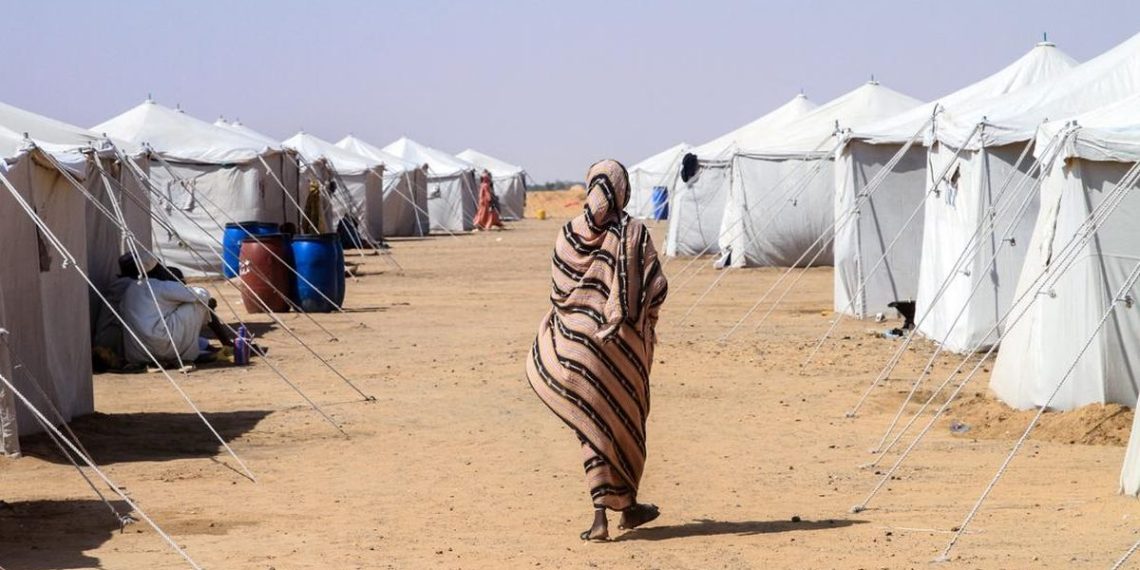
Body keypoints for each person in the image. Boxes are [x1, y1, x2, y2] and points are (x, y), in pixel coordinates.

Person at [525, 159, 668, 541]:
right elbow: (656, 288)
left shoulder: (568, 234)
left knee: (592, 430)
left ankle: (602, 516)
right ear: (623, 191)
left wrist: (580, 321)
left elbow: (558, 293)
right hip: (622, 350)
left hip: (575, 352)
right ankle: (628, 504)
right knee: (622, 422)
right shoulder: (635, 232)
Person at [116, 253, 232, 367]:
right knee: (201, 304)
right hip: (162, 347)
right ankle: (225, 345)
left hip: (140, 354)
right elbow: (201, 294)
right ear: (155, 269)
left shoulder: (131, 288)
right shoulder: (158, 286)